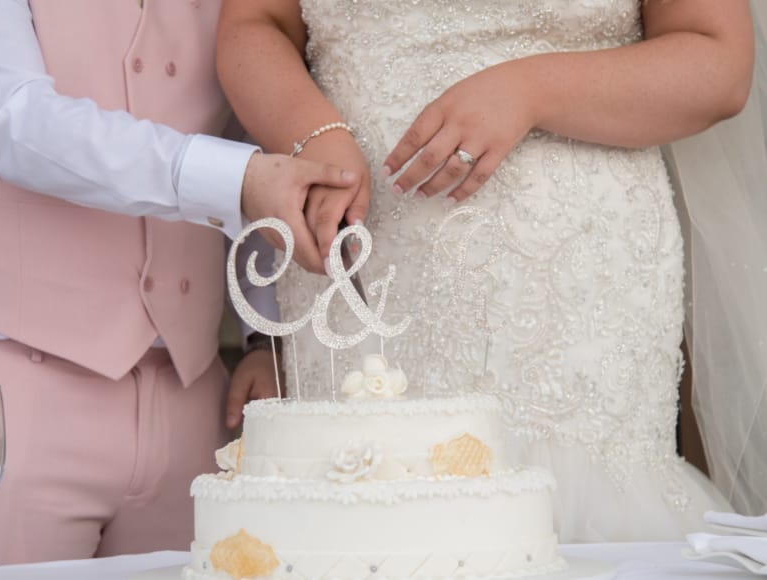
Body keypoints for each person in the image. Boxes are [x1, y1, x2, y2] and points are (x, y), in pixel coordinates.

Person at [216, 0, 761, 542]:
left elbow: (717, 61)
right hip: (360, 266)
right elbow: (255, 24)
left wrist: (532, 87)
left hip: (578, 292)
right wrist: (312, 135)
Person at [0, 0, 359, 569]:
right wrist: (236, 179)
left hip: (197, 399)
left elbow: (258, 144)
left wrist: (263, 335)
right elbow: (16, 120)